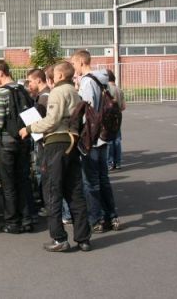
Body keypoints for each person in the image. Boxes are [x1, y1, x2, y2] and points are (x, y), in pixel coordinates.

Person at [19, 61, 91, 252]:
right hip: (73, 143)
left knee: (52, 191)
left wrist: (29, 128)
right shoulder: (75, 92)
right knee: (75, 192)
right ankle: (83, 238)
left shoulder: (58, 92)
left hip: (56, 144)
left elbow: (52, 120)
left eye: (54, 75)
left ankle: (59, 238)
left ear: (59, 76)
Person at [70, 49, 121, 233]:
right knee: (103, 179)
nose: (73, 67)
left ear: (81, 62)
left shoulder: (87, 81)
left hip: (91, 137)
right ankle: (112, 216)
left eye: (74, 64)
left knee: (91, 182)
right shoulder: (102, 79)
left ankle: (97, 219)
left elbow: (87, 110)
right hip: (104, 135)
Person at [0, 60, 33, 234]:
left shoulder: (1, 92)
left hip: (6, 144)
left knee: (8, 184)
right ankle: (27, 219)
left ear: (0, 73)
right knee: (23, 180)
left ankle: (12, 222)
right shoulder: (22, 88)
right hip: (23, 140)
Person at [26, 68, 50, 218]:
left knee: (45, 173)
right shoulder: (40, 96)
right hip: (41, 140)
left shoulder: (45, 97)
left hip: (44, 141)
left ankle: (48, 205)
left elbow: (42, 121)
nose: (29, 84)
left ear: (38, 80)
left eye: (30, 81)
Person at [106, 69, 126, 170]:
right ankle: (118, 162)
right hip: (118, 115)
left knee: (109, 140)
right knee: (117, 139)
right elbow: (123, 107)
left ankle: (110, 162)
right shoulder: (119, 89)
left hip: (108, 116)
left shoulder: (107, 89)